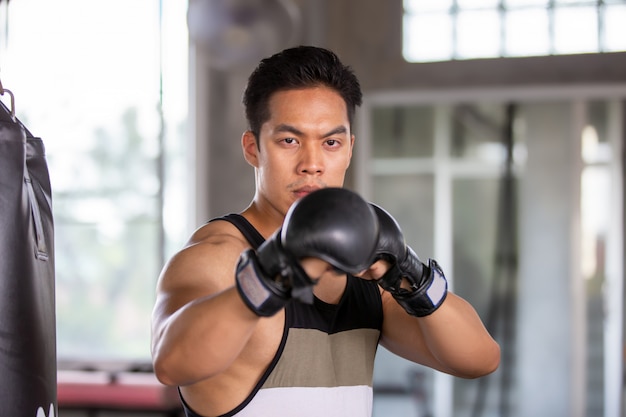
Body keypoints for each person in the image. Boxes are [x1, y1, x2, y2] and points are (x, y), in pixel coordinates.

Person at [151, 45, 500, 417]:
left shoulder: (364, 271)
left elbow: (480, 359)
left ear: (349, 149)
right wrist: (273, 270)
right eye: (289, 141)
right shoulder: (217, 257)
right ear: (253, 149)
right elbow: (172, 364)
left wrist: (408, 272)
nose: (312, 164)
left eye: (330, 143)